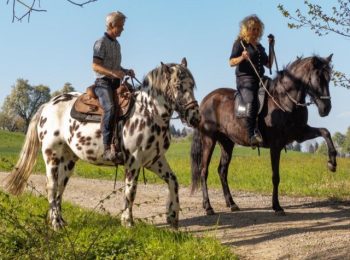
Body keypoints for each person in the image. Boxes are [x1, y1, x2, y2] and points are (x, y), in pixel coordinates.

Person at [92, 11, 135, 161]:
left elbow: (116, 66)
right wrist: (113, 73)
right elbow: (95, 66)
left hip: (116, 82)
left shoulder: (117, 44)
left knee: (136, 98)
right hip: (103, 83)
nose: (123, 29)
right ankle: (106, 148)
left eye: (123, 26)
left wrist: (125, 71)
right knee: (110, 107)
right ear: (111, 25)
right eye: (120, 26)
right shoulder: (100, 43)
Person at [229, 14, 274, 147]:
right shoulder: (240, 44)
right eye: (252, 29)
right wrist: (242, 57)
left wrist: (271, 47)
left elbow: (269, 64)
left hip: (261, 78)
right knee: (252, 100)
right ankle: (251, 135)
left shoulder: (260, 47)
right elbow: (231, 62)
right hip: (245, 80)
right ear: (246, 29)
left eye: (257, 29)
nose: (255, 32)